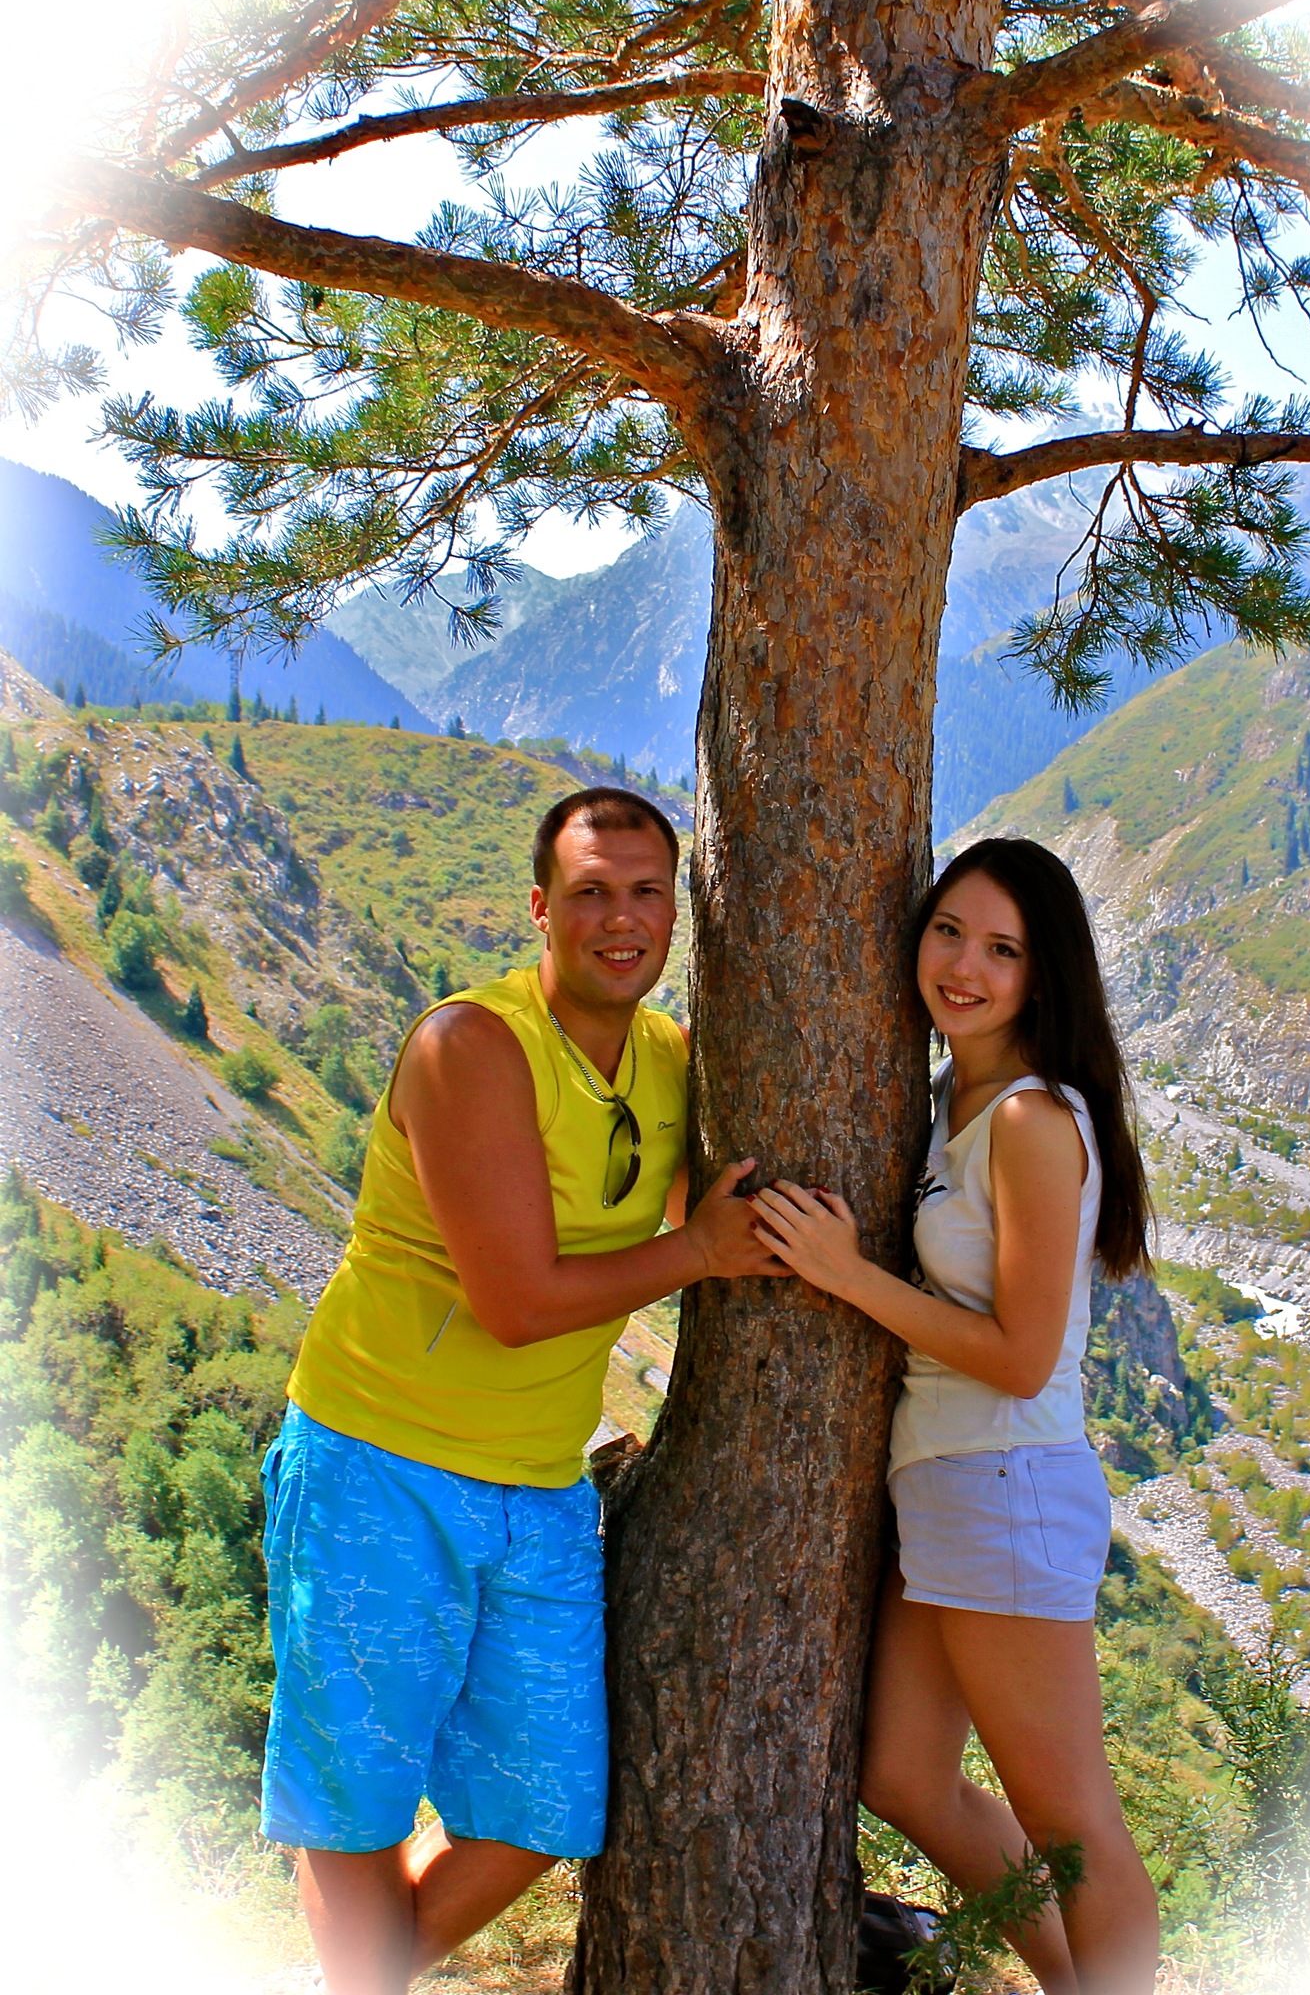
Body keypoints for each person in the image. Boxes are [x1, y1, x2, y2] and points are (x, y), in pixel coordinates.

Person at [261, 787, 782, 1995]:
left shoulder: (667, 1060)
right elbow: (516, 1299)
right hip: (378, 1458)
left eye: (645, 891)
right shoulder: (472, 1046)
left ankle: (359, 1974)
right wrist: (699, 1251)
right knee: (353, 1803)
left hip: (539, 1482)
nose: (621, 917)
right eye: (590, 891)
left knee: (543, 1803)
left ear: (677, 912)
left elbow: (679, 1205)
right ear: (541, 909)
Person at [751, 837, 1160, 1995]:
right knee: (901, 1773)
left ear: (1043, 972)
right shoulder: (945, 1095)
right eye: (947, 931)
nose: (963, 966)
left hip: (1004, 1486)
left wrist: (843, 1274)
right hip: (944, 1488)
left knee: (1072, 1822)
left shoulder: (1030, 1120)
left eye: (1000, 949)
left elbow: (1022, 1358)